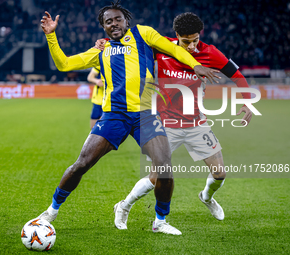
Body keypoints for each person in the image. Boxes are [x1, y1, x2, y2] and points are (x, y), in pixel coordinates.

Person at [38, 1, 219, 236]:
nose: (114, 24)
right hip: (114, 116)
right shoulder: (100, 51)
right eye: (108, 21)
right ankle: (51, 212)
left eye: (118, 19)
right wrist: (51, 36)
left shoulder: (144, 34)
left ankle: (160, 221)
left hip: (145, 115)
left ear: (126, 21)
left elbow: (173, 49)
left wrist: (195, 65)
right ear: (103, 27)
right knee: (82, 163)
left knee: (164, 168)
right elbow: (64, 64)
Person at [109, 12, 253, 230]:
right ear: (176, 36)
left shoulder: (210, 53)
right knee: (157, 177)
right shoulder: (162, 47)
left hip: (197, 123)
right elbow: (127, 44)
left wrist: (247, 101)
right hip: (165, 124)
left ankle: (206, 197)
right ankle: (124, 205)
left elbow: (237, 75)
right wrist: (105, 43)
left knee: (220, 173)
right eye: (187, 41)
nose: (192, 46)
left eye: (196, 40)